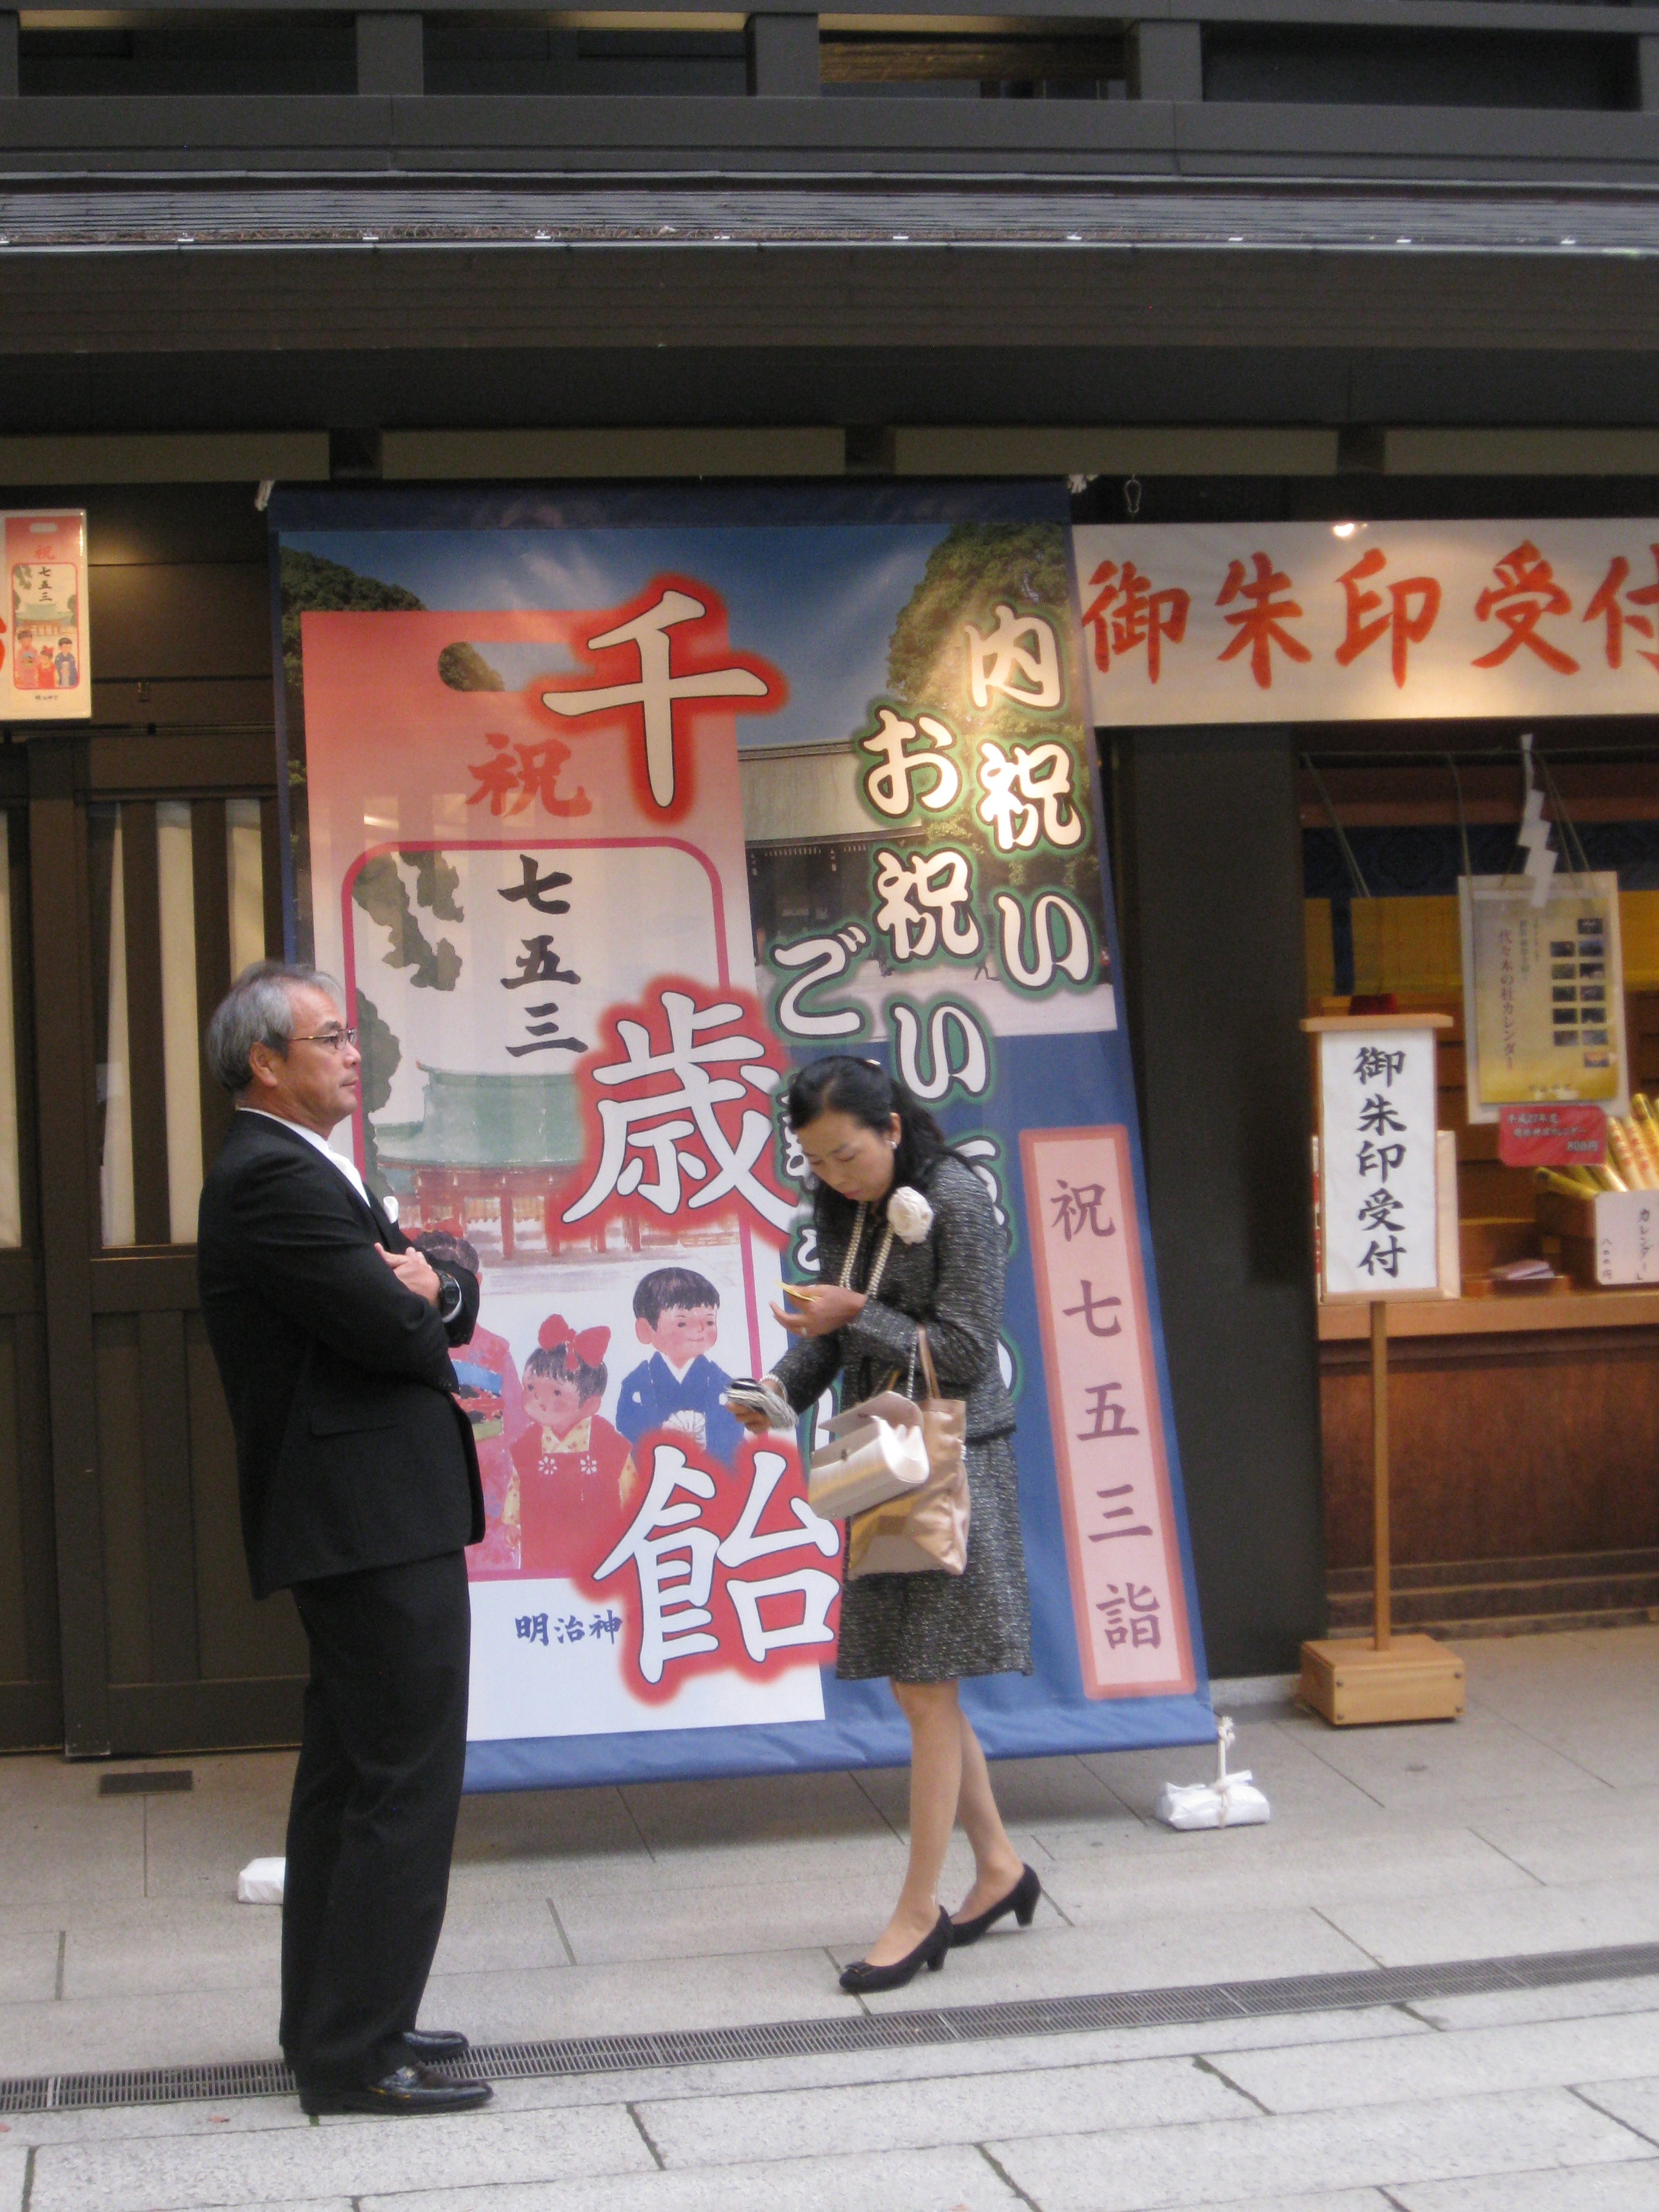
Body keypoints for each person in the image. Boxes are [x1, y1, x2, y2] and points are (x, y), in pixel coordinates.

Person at [196, 962, 492, 2119]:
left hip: (370, 1511)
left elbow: (435, 1287)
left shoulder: (306, 1164)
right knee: (399, 1779)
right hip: (364, 1516)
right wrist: (425, 1292)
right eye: (329, 1036)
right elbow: (393, 1321)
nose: (352, 1051)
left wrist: (433, 1283)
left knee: (350, 1774)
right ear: (264, 1061)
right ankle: (357, 2050)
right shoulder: (271, 1175)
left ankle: (336, 2018)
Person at [734, 1056, 1040, 1992]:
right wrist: (777, 1392)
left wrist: (859, 1311)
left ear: (893, 1129)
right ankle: (999, 1869)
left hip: (949, 1453)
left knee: (925, 1683)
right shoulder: (843, 1205)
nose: (836, 1176)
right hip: (877, 1445)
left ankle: (919, 1912)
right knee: (919, 1687)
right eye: (819, 1162)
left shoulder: (956, 1199)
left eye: (849, 1155)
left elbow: (965, 1351)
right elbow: (832, 1336)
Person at [413, 1227, 528, 1575]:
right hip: (485, 1491)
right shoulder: (495, 1350)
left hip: (433, 1487)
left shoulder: (402, 1348)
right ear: (475, 1283)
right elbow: (517, 1428)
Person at [510, 1316, 638, 1578]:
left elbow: (632, 1491)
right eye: (531, 1387)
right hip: (541, 1543)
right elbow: (516, 1484)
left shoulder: (609, 1444)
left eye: (556, 1393)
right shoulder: (528, 1445)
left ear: (590, 1405)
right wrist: (513, 1523)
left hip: (598, 1545)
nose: (539, 1400)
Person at [615, 1265, 743, 1462]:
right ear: (646, 1330)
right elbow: (627, 1428)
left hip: (711, 1471)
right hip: (655, 1469)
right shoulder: (638, 1383)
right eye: (682, 1323)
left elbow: (733, 1432)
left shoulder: (720, 1383)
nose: (700, 1330)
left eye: (709, 1322)